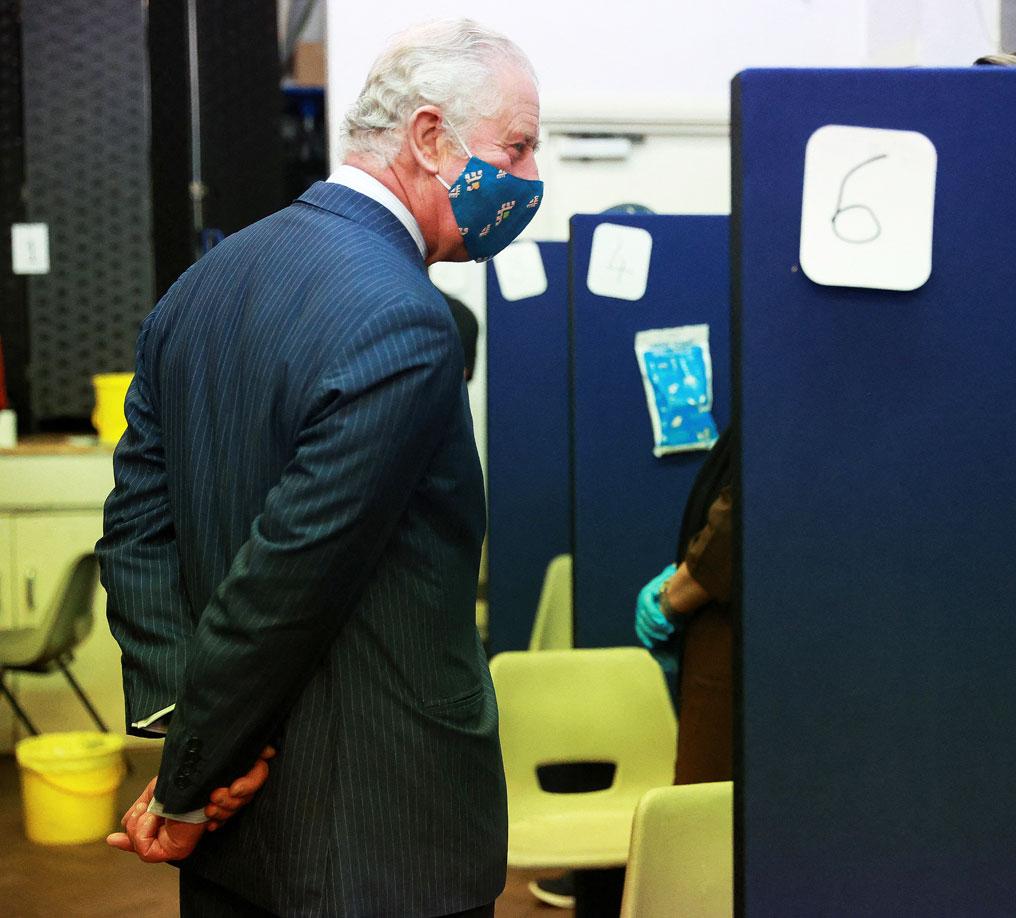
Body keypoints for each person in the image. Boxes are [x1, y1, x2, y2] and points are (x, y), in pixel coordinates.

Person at [96, 19, 543, 917]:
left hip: (238, 843)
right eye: (520, 147)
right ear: (428, 138)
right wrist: (190, 782)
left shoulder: (201, 286)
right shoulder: (407, 324)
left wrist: (189, 736)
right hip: (380, 843)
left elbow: (137, 529)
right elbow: (285, 584)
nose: (531, 180)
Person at [634, 424, 737, 785]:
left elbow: (738, 518)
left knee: (712, 821)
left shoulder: (779, 398)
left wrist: (671, 598)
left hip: (730, 649)